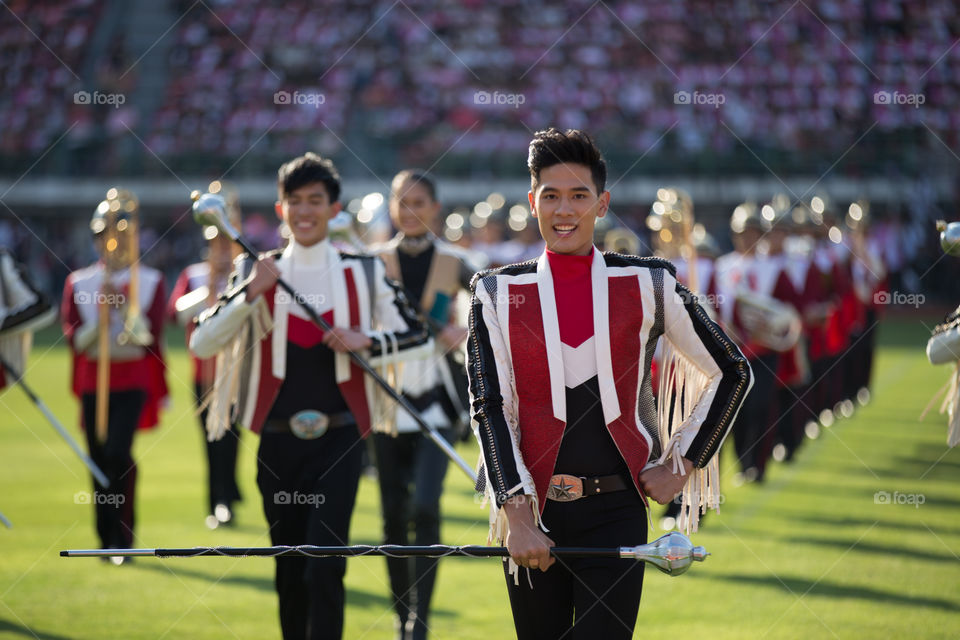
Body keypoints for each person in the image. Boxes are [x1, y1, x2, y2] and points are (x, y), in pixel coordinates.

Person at [467, 128, 752, 639]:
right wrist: (517, 515)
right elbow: (489, 407)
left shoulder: (650, 282)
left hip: (617, 512)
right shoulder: (494, 292)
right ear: (533, 203)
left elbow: (732, 370)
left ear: (602, 204)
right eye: (551, 196)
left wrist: (682, 464)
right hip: (532, 514)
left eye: (579, 196)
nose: (564, 210)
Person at [189, 153, 430, 640]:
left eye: (315, 201)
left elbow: (417, 333)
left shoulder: (364, 271)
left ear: (333, 207)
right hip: (276, 443)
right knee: (288, 569)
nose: (304, 211)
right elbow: (201, 342)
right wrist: (250, 294)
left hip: (339, 440)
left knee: (325, 563)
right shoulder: (257, 270)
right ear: (281, 209)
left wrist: (368, 341)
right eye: (294, 201)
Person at [367, 170, 481, 640]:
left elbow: (495, 313)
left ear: (435, 207)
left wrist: (466, 329)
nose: (410, 210)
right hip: (386, 404)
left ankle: (421, 618)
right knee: (393, 514)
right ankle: (400, 614)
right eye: (401, 201)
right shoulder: (370, 261)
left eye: (419, 201)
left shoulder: (457, 262)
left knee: (426, 506)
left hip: (439, 402)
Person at [61, 188, 168, 562]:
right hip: (95, 380)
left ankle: (123, 536)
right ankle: (103, 536)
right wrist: (101, 316)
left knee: (119, 453)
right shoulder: (79, 282)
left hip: (132, 379)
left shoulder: (150, 280)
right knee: (96, 457)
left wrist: (123, 307)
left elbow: (148, 339)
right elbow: (76, 340)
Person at [168, 181, 244, 529]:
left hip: (238, 372)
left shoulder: (244, 273)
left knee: (231, 440)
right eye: (216, 242)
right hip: (204, 374)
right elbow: (176, 315)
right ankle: (217, 500)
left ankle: (228, 494)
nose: (222, 249)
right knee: (210, 442)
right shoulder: (194, 275)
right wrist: (209, 289)